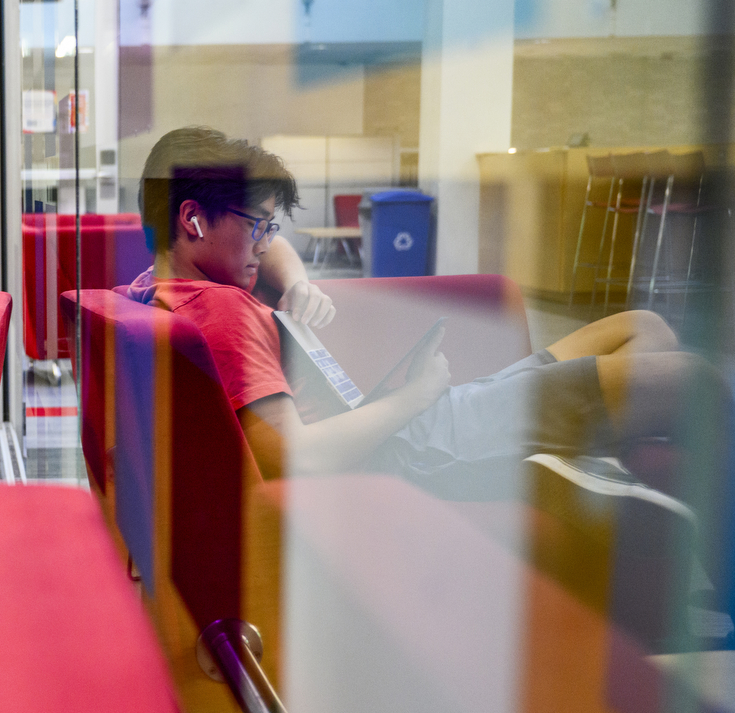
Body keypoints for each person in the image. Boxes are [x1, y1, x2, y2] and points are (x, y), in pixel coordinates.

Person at [129, 126, 727, 516]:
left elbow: (267, 255)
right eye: (259, 225)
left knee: (643, 328)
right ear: (193, 219)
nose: (267, 244)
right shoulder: (225, 310)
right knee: (695, 380)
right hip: (424, 443)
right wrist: (417, 395)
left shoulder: (159, 286)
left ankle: (603, 466)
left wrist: (297, 280)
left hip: (430, 423)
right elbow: (297, 458)